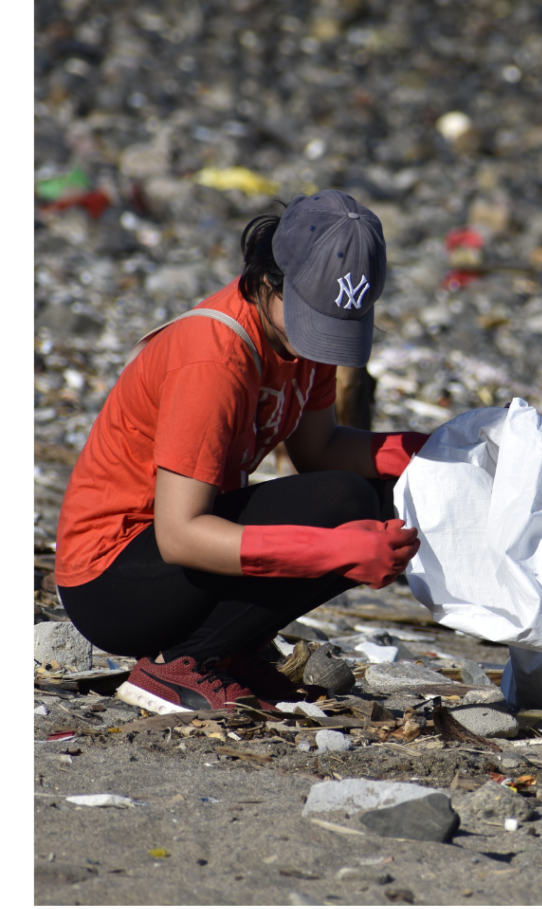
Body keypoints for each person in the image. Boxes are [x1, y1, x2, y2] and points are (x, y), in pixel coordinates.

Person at [55, 191, 429, 714]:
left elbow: (319, 449)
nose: (323, 343)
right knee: (345, 504)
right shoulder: (213, 360)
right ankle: (182, 663)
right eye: (313, 319)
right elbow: (181, 534)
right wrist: (333, 553)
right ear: (269, 280)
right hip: (113, 579)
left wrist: (429, 450)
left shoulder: (297, 340)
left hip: (169, 554)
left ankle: (226, 651)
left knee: (366, 495)